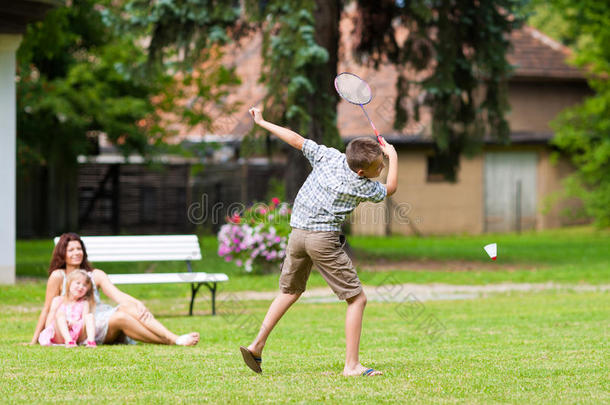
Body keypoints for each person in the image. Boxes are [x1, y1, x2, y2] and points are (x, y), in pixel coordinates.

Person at [240, 107, 398, 376]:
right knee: (357, 299)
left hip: (297, 235)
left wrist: (263, 122)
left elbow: (295, 139)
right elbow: (390, 188)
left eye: (383, 165)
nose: (381, 168)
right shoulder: (362, 185)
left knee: (289, 292)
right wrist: (393, 158)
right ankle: (352, 366)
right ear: (361, 172)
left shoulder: (330, 157)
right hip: (322, 239)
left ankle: (256, 345)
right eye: (378, 167)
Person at [28, 233, 200, 346]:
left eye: (79, 248)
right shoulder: (58, 276)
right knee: (120, 317)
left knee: (129, 308)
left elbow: (117, 295)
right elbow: (47, 308)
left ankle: (174, 338)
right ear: (62, 253)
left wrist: (137, 303)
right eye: (70, 249)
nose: (76, 252)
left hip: (101, 316)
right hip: (83, 326)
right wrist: (34, 340)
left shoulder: (95, 275)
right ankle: (172, 340)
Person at [38, 269, 97, 347]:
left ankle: (91, 342)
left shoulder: (84, 303)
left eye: (85, 285)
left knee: (89, 316)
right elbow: (50, 319)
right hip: (59, 333)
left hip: (76, 333)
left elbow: (83, 320)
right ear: (69, 284)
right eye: (78, 283)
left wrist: (73, 323)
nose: (81, 287)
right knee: (60, 314)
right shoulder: (58, 300)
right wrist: (49, 331)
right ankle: (69, 341)